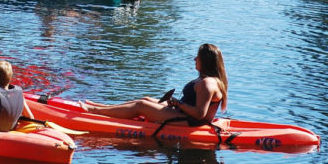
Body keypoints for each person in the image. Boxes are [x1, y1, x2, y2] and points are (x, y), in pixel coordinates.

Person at [80, 43, 228, 125]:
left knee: (141, 106)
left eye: (198, 57)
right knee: (145, 99)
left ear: (206, 61)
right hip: (183, 114)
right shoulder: (211, 80)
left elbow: (199, 114)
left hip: (188, 121)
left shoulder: (207, 84)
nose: (195, 59)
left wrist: (178, 103)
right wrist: (176, 104)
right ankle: (102, 108)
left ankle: (95, 112)